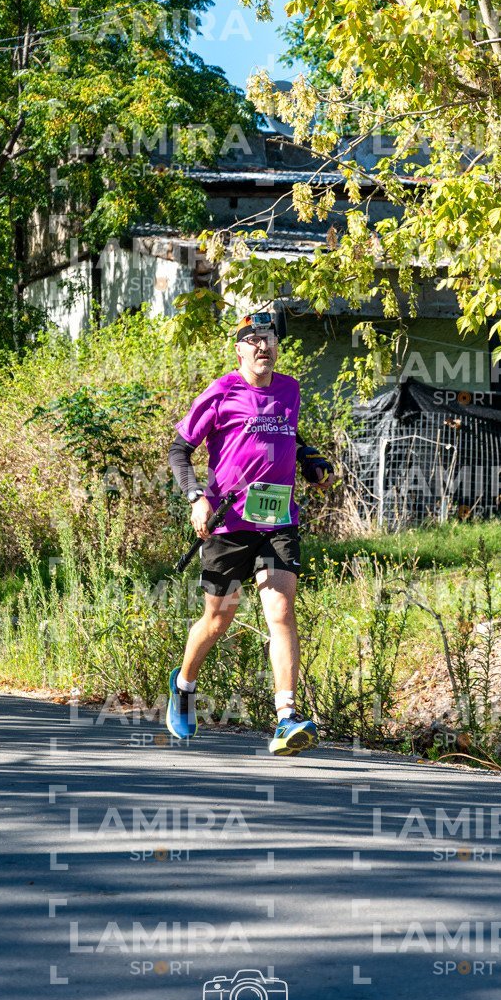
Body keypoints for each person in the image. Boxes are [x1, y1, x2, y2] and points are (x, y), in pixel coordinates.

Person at [167, 311, 336, 755]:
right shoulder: (222, 391)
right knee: (218, 619)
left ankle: (286, 718)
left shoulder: (290, 389)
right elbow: (180, 450)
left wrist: (311, 460)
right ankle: (184, 687)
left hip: (278, 520)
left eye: (269, 338)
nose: (263, 345)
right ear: (239, 349)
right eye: (253, 339)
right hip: (228, 522)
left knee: (280, 611)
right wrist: (195, 497)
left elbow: (289, 434)